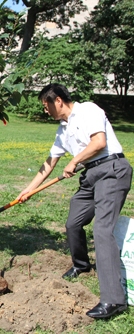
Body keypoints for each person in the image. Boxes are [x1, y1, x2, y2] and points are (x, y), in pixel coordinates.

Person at [17, 83, 132, 319]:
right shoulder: (62, 130)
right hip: (90, 175)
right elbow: (49, 163)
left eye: (46, 105)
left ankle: (114, 300)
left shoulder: (88, 109)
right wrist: (27, 190)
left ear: (57, 100)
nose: (45, 111)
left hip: (111, 170)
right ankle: (81, 264)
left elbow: (99, 142)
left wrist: (74, 161)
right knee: (73, 223)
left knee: (102, 229)